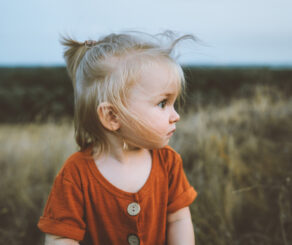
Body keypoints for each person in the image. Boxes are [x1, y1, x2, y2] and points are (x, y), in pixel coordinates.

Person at [38, 30, 197, 245]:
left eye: (173, 103)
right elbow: (60, 237)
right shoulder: (76, 175)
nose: (175, 115)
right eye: (162, 103)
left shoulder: (168, 162)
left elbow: (178, 218)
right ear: (112, 117)